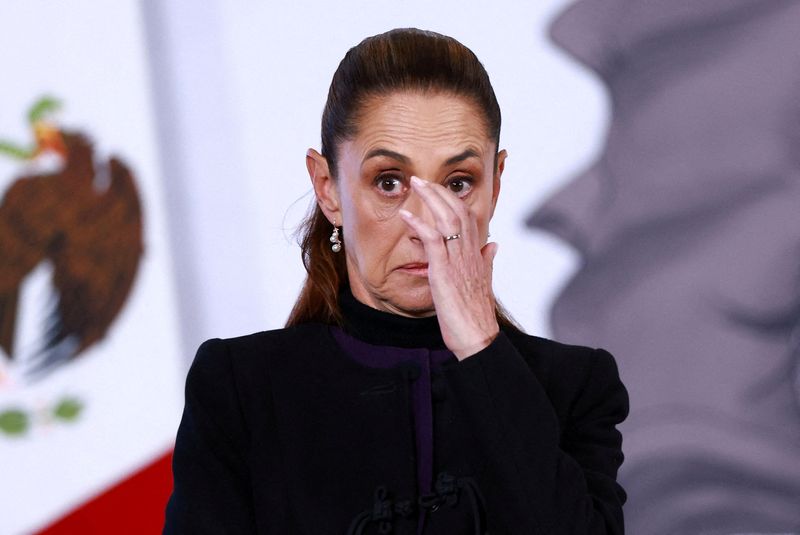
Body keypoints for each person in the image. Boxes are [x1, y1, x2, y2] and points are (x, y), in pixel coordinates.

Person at [164, 28, 628, 535]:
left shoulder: (574, 388)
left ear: (495, 186)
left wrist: (480, 347)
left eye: (458, 184)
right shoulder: (241, 391)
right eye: (389, 182)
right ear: (328, 188)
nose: (426, 224)